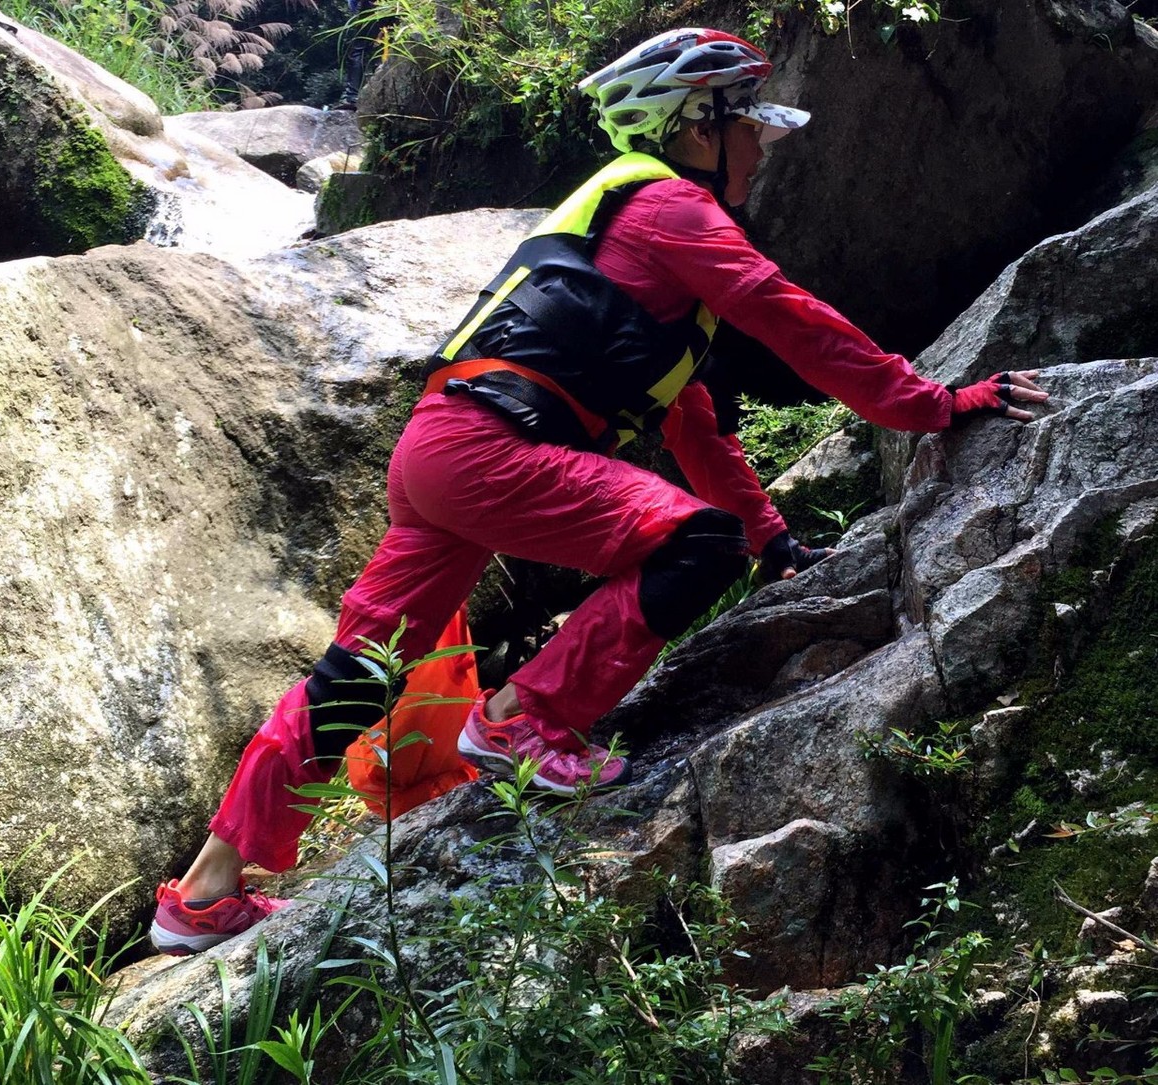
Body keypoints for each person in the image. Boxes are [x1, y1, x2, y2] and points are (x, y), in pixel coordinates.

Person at [149, 26, 1048, 955]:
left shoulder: (635, 252)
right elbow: (796, 322)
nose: (762, 149)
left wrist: (774, 540)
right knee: (695, 544)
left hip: (441, 448)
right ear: (698, 128)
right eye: (749, 127)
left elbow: (695, 424)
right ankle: (520, 719)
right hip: (494, 445)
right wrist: (934, 404)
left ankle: (203, 896)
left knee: (355, 676)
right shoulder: (671, 211)